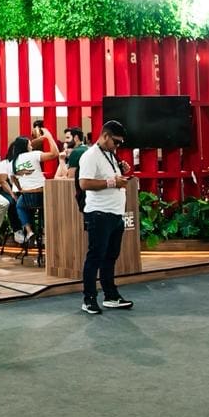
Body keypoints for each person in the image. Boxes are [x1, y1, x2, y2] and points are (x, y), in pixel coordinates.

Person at [78, 121, 134, 315]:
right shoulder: (90, 156)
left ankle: (110, 295)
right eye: (116, 142)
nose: (117, 146)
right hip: (99, 213)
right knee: (95, 257)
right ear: (105, 136)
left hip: (116, 214)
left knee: (110, 257)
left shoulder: (110, 154)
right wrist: (112, 182)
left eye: (120, 143)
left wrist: (121, 172)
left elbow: (110, 178)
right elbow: (84, 183)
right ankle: (89, 299)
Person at [10, 133, 59, 244]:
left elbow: (13, 178)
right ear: (25, 146)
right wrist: (49, 137)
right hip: (41, 194)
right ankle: (45, 232)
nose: (31, 146)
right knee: (46, 208)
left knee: (19, 206)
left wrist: (20, 189)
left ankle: (29, 231)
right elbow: (54, 154)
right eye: (29, 144)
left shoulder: (13, 162)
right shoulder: (33, 155)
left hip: (27, 196)